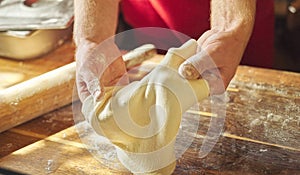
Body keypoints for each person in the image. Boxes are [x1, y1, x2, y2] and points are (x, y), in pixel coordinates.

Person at [74, 0, 274, 102]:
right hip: (151, 14)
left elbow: (229, 32)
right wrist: (92, 39)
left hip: (233, 18)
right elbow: (93, 38)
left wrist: (229, 29)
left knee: (245, 99)